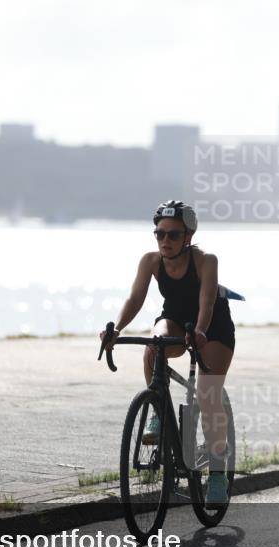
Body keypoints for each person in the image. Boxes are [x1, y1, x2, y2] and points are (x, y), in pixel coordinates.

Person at [100, 200, 235, 507]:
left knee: (208, 394)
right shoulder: (150, 261)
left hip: (212, 329)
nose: (165, 241)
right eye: (160, 234)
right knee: (152, 347)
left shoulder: (206, 261)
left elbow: (207, 305)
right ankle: (159, 412)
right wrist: (117, 329)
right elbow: (135, 298)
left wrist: (199, 331)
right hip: (174, 321)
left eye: (173, 235)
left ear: (188, 236)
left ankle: (216, 472)